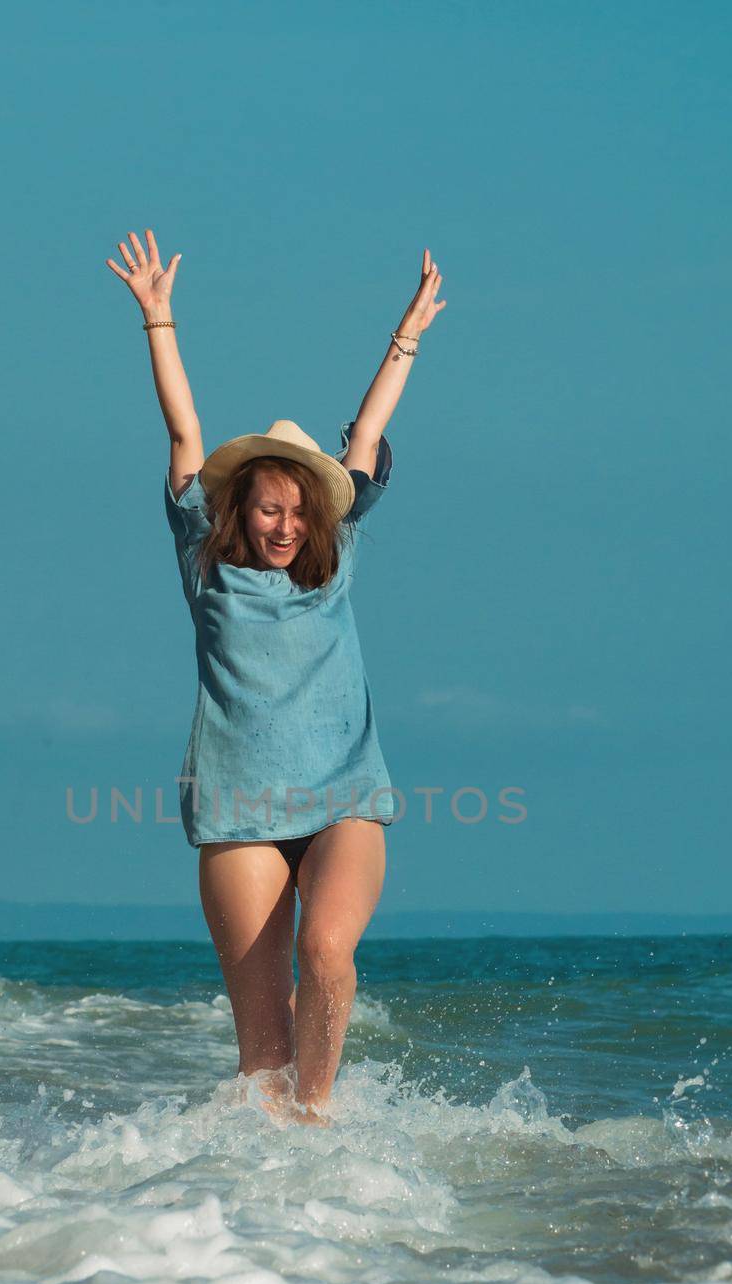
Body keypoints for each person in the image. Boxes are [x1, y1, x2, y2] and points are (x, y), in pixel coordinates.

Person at [105, 229, 446, 1126]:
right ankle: (272, 1194)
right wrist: (158, 318)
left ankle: (320, 1124)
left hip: (342, 802)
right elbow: (184, 430)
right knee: (261, 1050)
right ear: (240, 509)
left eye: (299, 509)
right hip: (237, 812)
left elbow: (367, 434)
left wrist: (404, 337)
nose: (286, 524)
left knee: (327, 952)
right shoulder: (204, 562)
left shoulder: (336, 565)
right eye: (269, 508)